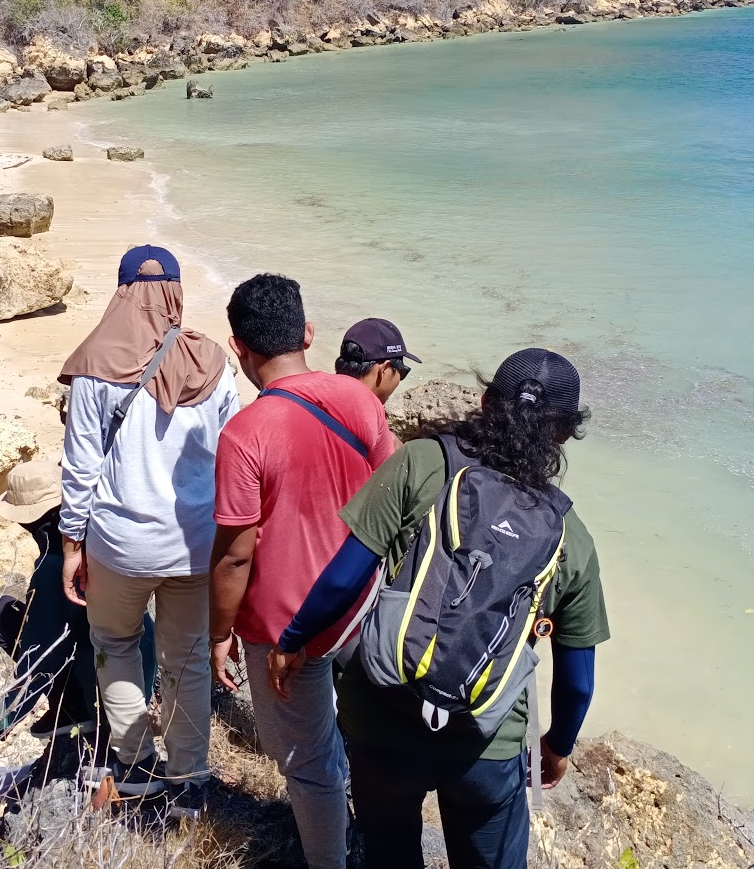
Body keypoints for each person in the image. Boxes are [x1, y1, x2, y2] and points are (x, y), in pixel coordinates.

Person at [270, 349, 608, 869]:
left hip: (381, 716)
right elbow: (578, 681)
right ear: (564, 433)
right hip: (485, 744)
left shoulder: (422, 462)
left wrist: (294, 640)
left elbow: (343, 575)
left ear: (486, 400)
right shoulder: (570, 536)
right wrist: (558, 745)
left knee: (389, 853)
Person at [209, 273, 398, 869]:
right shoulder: (361, 400)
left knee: (308, 764)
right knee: (357, 737)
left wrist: (220, 633)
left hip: (284, 625)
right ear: (309, 334)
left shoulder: (244, 434)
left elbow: (236, 553)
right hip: (360, 603)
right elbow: (392, 495)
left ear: (239, 348)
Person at [58, 245, 239, 812]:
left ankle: (134, 765)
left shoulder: (93, 364)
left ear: (120, 291)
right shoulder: (213, 363)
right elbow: (233, 458)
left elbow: (81, 465)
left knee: (115, 643)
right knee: (184, 658)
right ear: (176, 292)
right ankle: (189, 780)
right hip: (193, 544)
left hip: (119, 544)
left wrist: (71, 543)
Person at [0, 457, 156, 747]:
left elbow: (42, 652)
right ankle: (78, 706)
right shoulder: (99, 531)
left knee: (1, 615)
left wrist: (5, 718)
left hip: (110, 681)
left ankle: (73, 711)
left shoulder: (55, 566)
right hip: (142, 662)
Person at [334, 317, 420, 406]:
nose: (400, 378)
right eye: (402, 371)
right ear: (384, 369)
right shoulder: (367, 415)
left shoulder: (321, 392)